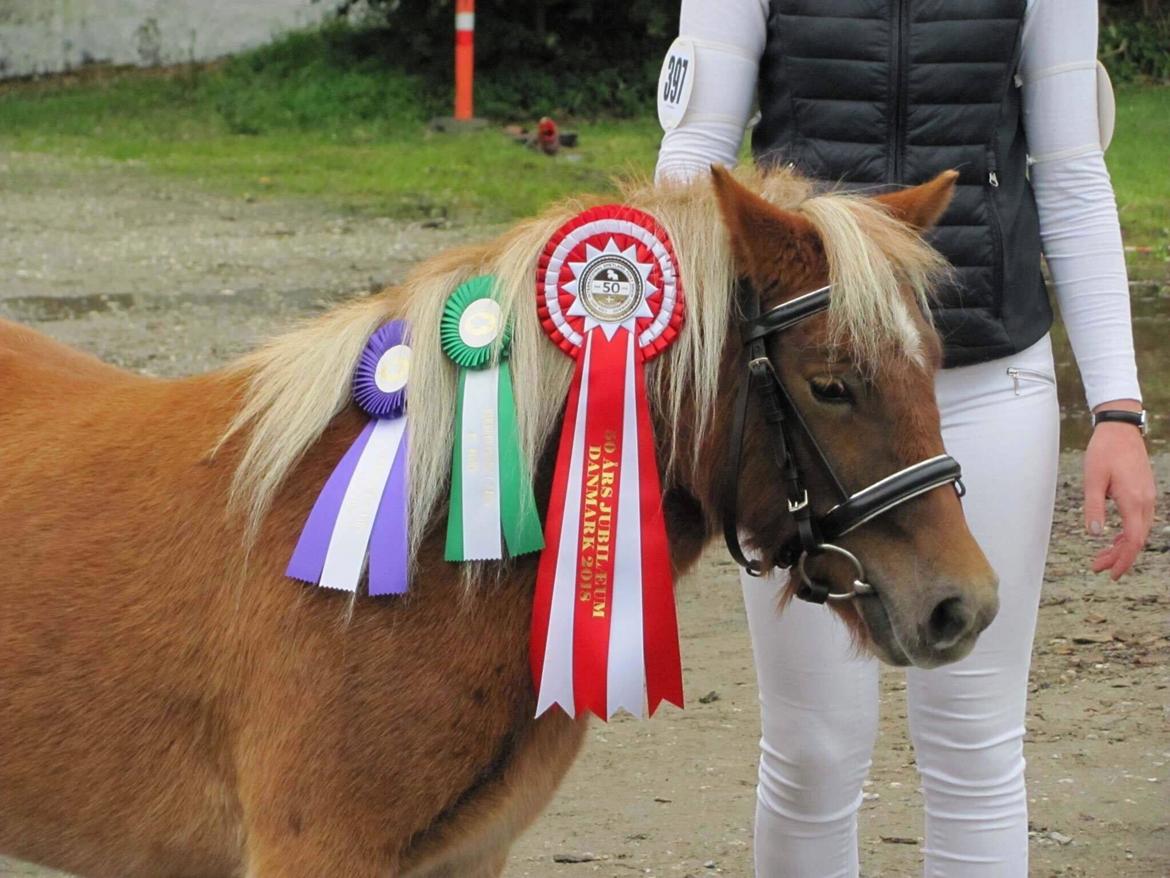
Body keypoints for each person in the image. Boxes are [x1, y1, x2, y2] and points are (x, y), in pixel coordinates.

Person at [654, 1, 1157, 876]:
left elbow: (1073, 174)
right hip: (813, 397)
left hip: (989, 376)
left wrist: (1117, 408)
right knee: (812, 751)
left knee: (975, 742)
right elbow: (694, 163)